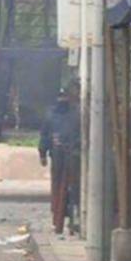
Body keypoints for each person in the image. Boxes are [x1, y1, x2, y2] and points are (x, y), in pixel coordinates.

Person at [39, 90, 80, 235]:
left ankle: (68, 220)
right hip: (58, 156)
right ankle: (58, 220)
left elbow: (80, 135)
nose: (63, 100)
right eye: (61, 97)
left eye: (65, 97)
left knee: (72, 188)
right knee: (58, 188)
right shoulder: (51, 115)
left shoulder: (76, 114)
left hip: (72, 156)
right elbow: (45, 135)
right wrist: (42, 153)